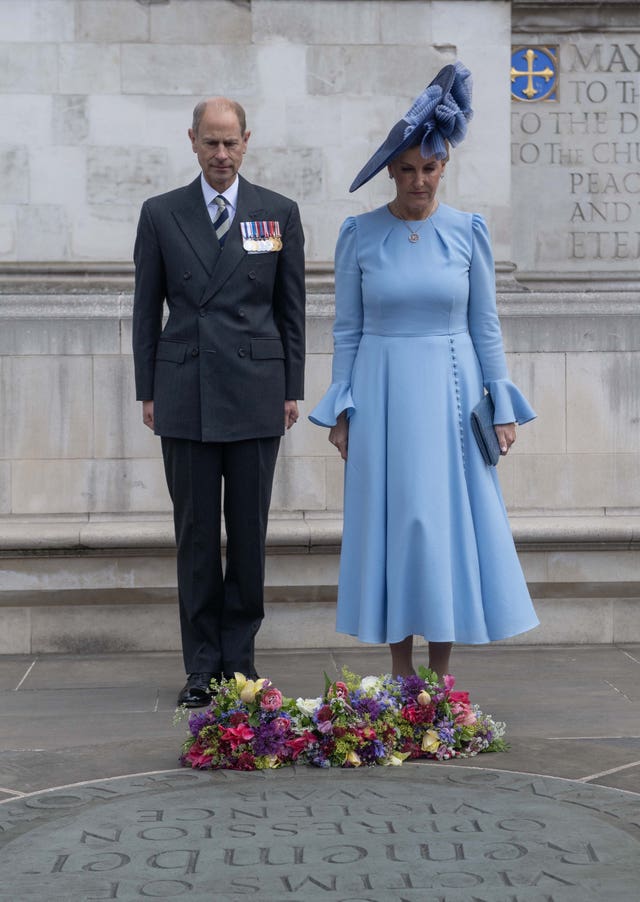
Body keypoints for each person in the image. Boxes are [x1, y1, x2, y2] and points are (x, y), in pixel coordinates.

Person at [309, 63, 538, 679]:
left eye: (429, 168)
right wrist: (342, 409)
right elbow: (347, 329)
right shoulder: (359, 233)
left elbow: (485, 324)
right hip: (382, 394)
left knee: (443, 524)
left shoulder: (468, 231)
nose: (419, 181)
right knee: (395, 520)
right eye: (407, 169)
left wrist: (503, 404)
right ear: (391, 171)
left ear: (444, 167)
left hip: (453, 392)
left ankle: (439, 676)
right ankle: (400, 673)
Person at [132, 97, 305, 707]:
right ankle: (201, 666)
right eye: (211, 142)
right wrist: (148, 388)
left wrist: (291, 389)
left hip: (257, 393)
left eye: (231, 143)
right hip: (186, 391)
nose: (221, 155)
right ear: (193, 141)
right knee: (197, 535)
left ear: (247, 141)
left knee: (250, 535)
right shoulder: (161, 213)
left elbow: (291, 310)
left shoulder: (277, 212)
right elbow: (145, 307)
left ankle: (241, 663)